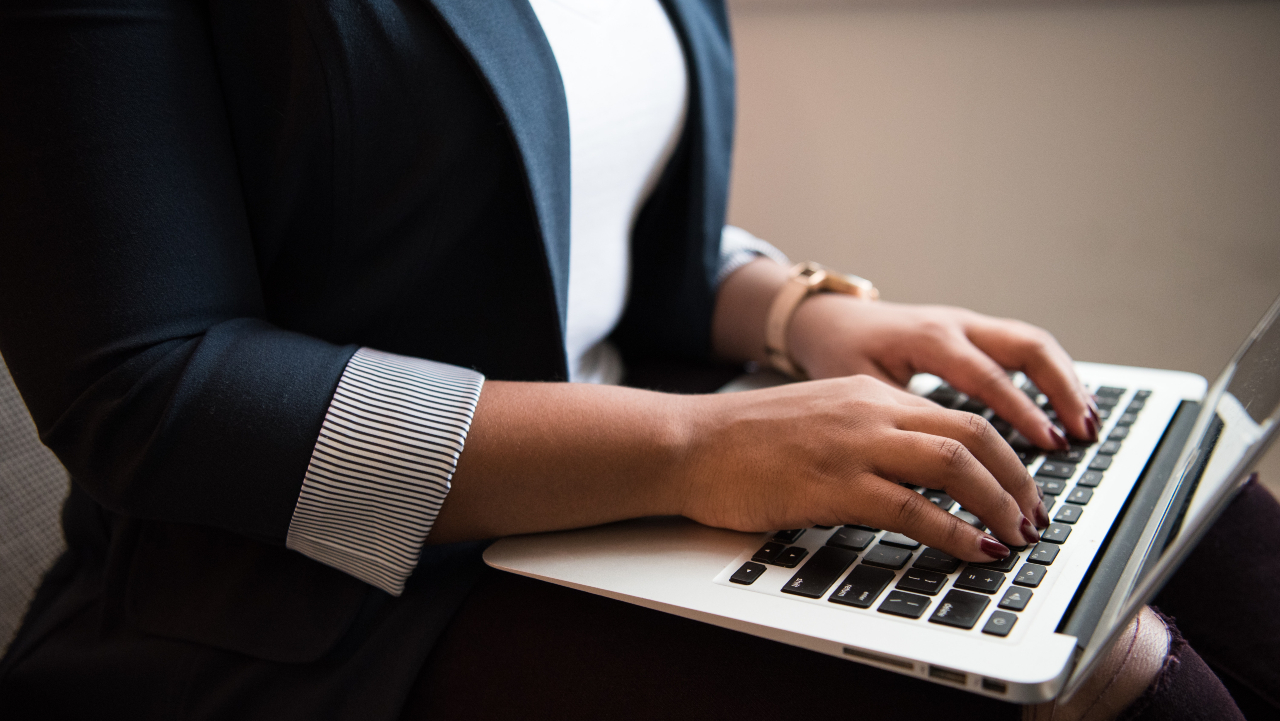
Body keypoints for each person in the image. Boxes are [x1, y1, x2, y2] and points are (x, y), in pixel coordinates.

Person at [0, 0, 1272, 718]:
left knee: (1207, 530)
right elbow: (146, 385)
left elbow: (557, 203)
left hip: (640, 495)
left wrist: (798, 313)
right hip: (301, 602)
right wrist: (697, 447)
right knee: (1115, 685)